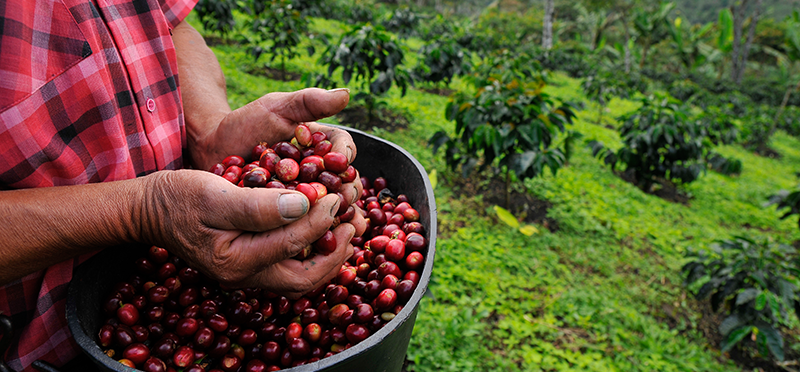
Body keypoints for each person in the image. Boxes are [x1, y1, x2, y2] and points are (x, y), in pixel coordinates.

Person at [0, 0, 366, 370]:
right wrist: (142, 210)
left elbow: (172, 26)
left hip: (174, 255)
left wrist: (207, 129)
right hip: (32, 346)